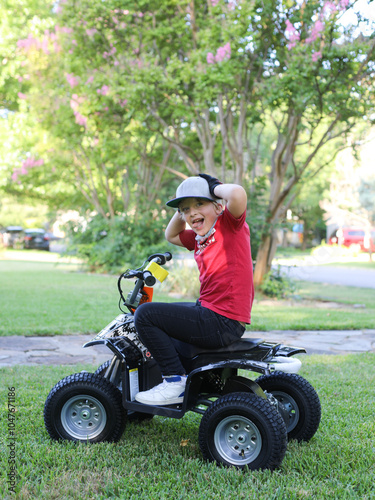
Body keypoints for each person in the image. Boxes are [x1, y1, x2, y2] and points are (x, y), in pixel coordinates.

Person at [134, 173, 254, 405]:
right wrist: (183, 207)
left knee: (145, 315)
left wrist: (213, 187)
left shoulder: (228, 225)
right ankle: (192, 379)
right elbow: (171, 235)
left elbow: (237, 194)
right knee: (166, 325)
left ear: (219, 207)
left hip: (221, 319)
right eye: (186, 210)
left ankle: (174, 383)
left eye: (200, 204)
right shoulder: (200, 238)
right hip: (214, 314)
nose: (192, 213)